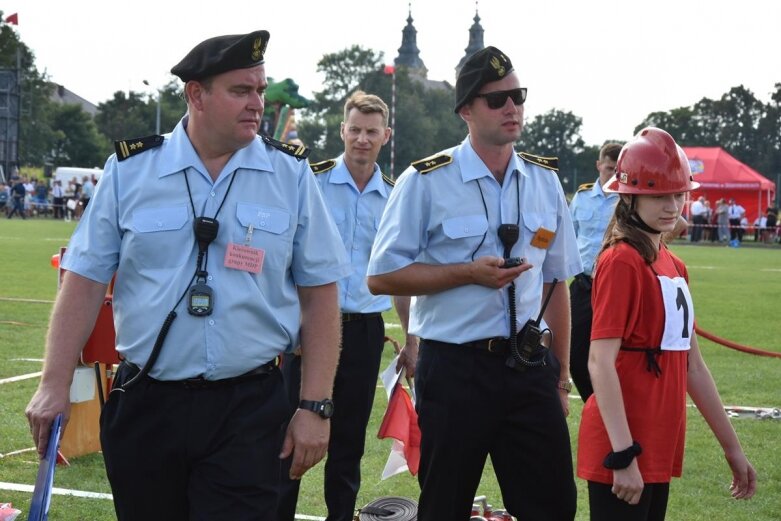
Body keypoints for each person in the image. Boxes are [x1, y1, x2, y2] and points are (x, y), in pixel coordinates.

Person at [25, 30, 350, 521]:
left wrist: (316, 405)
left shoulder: (290, 175)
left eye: (260, 90)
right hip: (148, 403)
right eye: (241, 91)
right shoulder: (131, 171)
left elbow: (320, 292)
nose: (256, 103)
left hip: (250, 405)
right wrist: (53, 385)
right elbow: (85, 281)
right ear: (196, 94)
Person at [367, 46, 580, 521]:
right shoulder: (425, 181)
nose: (512, 108)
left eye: (518, 96)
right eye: (497, 100)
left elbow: (555, 282)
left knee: (554, 506)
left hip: (529, 367)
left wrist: (561, 378)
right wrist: (466, 273)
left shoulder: (544, 181)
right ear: (466, 110)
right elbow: (381, 275)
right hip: (456, 369)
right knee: (444, 504)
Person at [577, 127, 756, 521]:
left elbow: (693, 365)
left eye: (678, 193)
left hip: (657, 442)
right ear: (629, 195)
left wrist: (732, 448)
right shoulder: (621, 260)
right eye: (658, 194)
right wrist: (622, 453)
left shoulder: (674, 264)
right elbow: (599, 362)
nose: (672, 204)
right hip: (623, 445)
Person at [277, 91, 416, 521]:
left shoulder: (396, 196)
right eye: (354, 129)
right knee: (291, 438)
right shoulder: (311, 181)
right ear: (342, 130)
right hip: (309, 330)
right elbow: (284, 259)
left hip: (364, 330)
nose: (361, 139)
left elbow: (400, 273)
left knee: (348, 442)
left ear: (386, 136)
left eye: (371, 131)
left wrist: (412, 339)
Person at [568, 142, 622, 402]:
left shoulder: (628, 200)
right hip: (583, 284)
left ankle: (610, 407)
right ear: (598, 165)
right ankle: (595, 404)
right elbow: (571, 235)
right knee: (573, 352)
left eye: (617, 170)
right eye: (608, 168)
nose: (612, 175)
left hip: (613, 285)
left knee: (612, 353)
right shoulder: (582, 196)